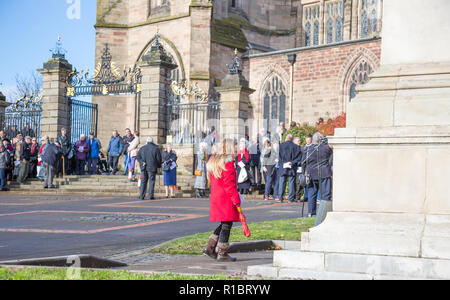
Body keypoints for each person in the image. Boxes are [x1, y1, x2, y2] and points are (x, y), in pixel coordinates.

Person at [203, 138, 241, 262]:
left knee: (224, 223)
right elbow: (229, 185)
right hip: (225, 198)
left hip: (216, 196)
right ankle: (222, 252)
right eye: (235, 148)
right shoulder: (228, 163)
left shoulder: (215, 161)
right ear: (230, 148)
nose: (237, 150)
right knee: (227, 224)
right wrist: (237, 200)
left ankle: (210, 247)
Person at [303, 132, 333, 218]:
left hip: (311, 173)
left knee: (312, 193)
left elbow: (304, 162)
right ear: (320, 139)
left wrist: (304, 173)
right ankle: (324, 213)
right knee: (325, 194)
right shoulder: (326, 148)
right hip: (324, 172)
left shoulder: (308, 149)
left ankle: (311, 213)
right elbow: (331, 157)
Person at [278, 134, 302, 203]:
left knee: (282, 182)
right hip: (292, 165)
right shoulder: (296, 147)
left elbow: (278, 156)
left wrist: (282, 163)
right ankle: (290, 198)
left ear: (286, 138)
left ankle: (280, 198)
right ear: (292, 139)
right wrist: (292, 162)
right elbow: (298, 158)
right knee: (291, 182)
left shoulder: (281, 145)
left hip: (283, 166)